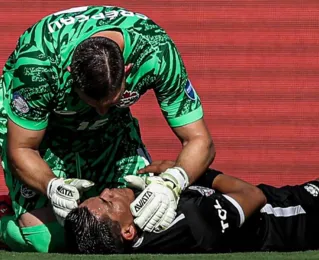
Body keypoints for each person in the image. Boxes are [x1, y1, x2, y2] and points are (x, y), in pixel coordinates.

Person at [0, 6, 215, 252]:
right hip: (46, 133)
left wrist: (172, 183)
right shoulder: (38, 65)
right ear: (70, 76)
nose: (101, 111)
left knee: (147, 220)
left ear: (127, 70)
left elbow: (200, 140)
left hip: (114, 131)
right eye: (92, 103)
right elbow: (22, 147)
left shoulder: (156, 51)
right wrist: (51, 185)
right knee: (43, 237)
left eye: (112, 102)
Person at [64, 160, 319, 254]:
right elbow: (252, 196)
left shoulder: (147, 228)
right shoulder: (193, 222)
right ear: (128, 231)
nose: (108, 191)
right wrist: (184, 175)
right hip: (296, 215)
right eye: (108, 201)